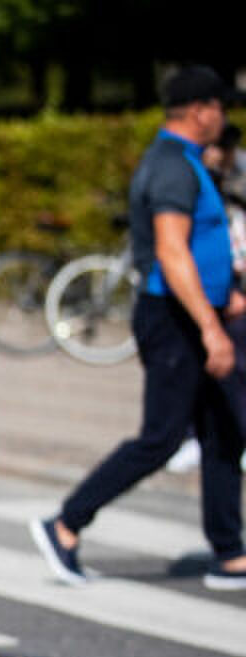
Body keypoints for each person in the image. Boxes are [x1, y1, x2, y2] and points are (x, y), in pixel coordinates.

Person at [31, 66, 246, 591]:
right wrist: (211, 328)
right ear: (200, 111)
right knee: (162, 438)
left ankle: (228, 552)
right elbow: (173, 254)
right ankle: (66, 523)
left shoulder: (186, 161)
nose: (225, 117)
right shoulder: (173, 167)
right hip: (174, 321)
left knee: (223, 430)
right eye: (220, 107)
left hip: (194, 315)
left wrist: (227, 297)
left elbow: (200, 248)